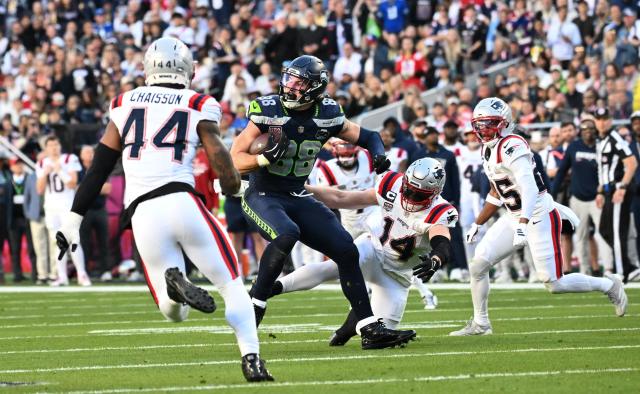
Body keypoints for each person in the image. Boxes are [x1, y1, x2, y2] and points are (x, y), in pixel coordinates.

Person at [55, 37, 273, 382]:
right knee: (231, 284)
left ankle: (175, 284)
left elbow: (99, 166)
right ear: (187, 69)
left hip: (142, 214)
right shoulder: (198, 102)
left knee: (174, 314)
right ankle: (251, 359)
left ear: (147, 68)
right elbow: (218, 156)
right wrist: (233, 187)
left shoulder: (124, 102)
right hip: (181, 201)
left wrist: (72, 218)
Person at [230, 54, 417, 349]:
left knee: (345, 248)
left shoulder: (327, 113)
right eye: (288, 79)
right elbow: (234, 160)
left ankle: (368, 327)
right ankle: (255, 304)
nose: (289, 87)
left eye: (298, 82)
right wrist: (264, 157)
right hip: (264, 193)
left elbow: (367, 136)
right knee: (286, 234)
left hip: (298, 194)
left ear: (315, 88)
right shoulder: (268, 110)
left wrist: (378, 153)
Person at [451, 97, 628, 336]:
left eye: (489, 123)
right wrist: (478, 222)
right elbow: (497, 190)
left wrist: (524, 223)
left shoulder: (512, 145)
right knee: (478, 265)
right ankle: (481, 324)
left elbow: (530, 188)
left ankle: (609, 284)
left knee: (553, 283)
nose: (483, 129)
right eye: (479, 124)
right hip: (515, 215)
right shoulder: (488, 149)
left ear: (504, 123)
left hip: (538, 214)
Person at [265, 158, 455, 345]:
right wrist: (301, 188)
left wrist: (436, 259)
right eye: (408, 189)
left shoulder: (439, 210)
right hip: (372, 249)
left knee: (378, 334)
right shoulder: (392, 185)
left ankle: (346, 329)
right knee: (332, 267)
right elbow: (342, 198)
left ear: (434, 194)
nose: (409, 197)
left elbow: (442, 240)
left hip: (397, 276)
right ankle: (273, 287)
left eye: (418, 194)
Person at [36, 136, 91, 287]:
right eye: (50, 145)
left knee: (73, 241)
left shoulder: (69, 159)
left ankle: (82, 274)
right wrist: (44, 174)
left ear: (60, 145)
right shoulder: (42, 163)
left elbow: (72, 183)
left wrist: (59, 170)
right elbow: (39, 190)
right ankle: (62, 276)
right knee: (57, 243)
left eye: (56, 144)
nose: (54, 148)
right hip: (51, 207)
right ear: (46, 148)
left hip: (67, 206)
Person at [594, 107, 639, 283]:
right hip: (607, 190)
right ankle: (629, 267)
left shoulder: (614, 138)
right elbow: (603, 169)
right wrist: (599, 191)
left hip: (617, 189)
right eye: (599, 119)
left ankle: (622, 271)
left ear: (611, 120)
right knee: (605, 230)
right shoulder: (602, 140)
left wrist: (622, 187)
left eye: (605, 119)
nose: (602, 122)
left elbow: (632, 163)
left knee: (616, 230)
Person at [78, 145, 111, 280]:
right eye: (87, 152)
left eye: (92, 152)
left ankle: (106, 270)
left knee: (104, 241)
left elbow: (108, 188)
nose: (90, 154)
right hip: (84, 211)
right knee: (84, 242)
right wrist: (97, 187)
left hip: (100, 210)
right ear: (81, 156)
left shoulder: (100, 167)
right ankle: (85, 271)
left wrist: (87, 187)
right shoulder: (78, 170)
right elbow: (75, 188)